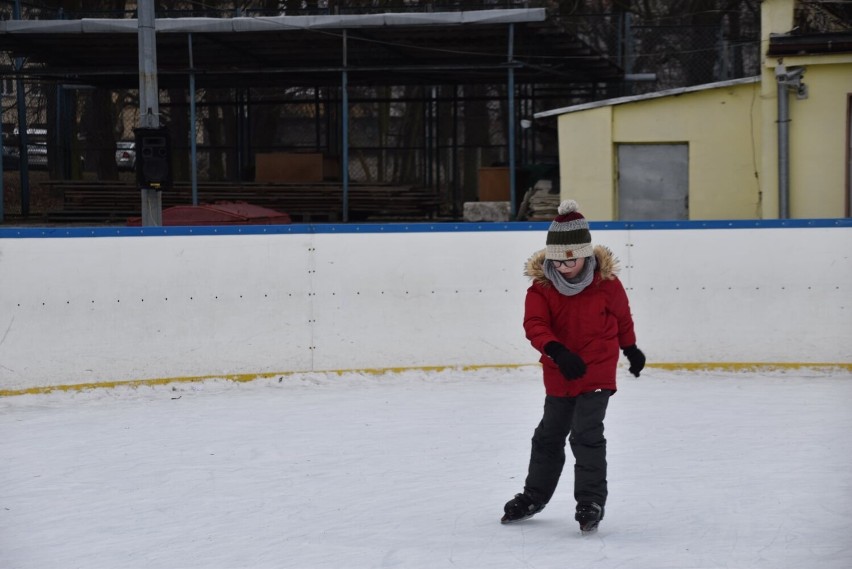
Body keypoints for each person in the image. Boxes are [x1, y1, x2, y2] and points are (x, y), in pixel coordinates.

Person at [501, 199, 645, 532]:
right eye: (559, 262)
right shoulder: (541, 288)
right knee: (548, 436)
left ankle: (590, 502)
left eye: (573, 261)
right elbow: (535, 324)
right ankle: (534, 495)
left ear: (586, 255)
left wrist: (631, 348)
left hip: (596, 368)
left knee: (586, 434)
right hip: (559, 369)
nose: (565, 268)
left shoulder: (606, 284)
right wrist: (556, 351)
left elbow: (622, 317)